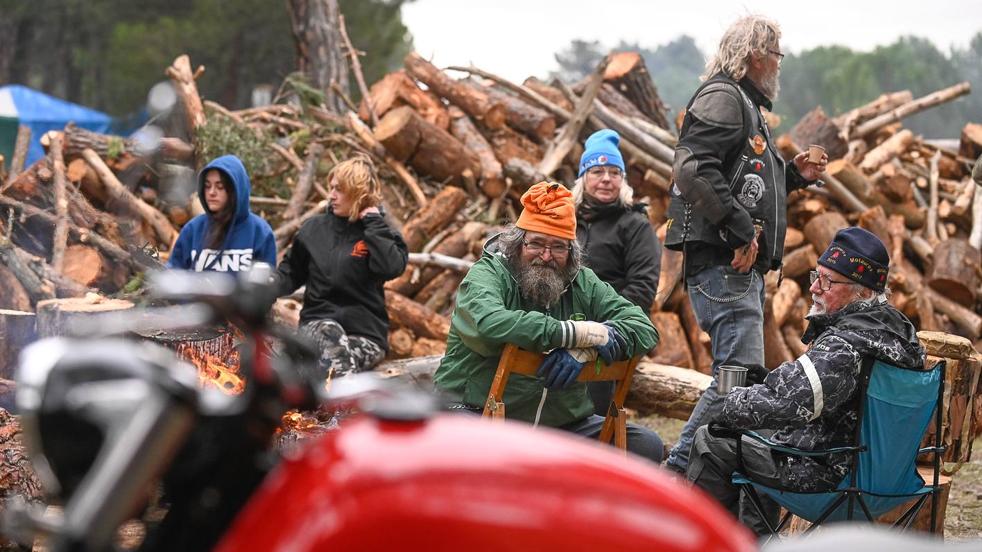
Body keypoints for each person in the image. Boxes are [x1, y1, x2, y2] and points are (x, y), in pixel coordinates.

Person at [663, 14, 829, 475]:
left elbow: (741, 178)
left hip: (734, 264)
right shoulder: (723, 96)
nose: (779, 62)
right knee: (735, 378)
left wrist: (790, 175)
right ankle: (678, 475)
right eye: (776, 53)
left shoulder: (744, 103)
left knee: (740, 378)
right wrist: (740, 229)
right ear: (756, 55)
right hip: (725, 260)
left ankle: (708, 478)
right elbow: (693, 168)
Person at [686, 227, 926, 535]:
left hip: (827, 475)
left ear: (864, 292)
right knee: (761, 436)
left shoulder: (846, 344)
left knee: (711, 440)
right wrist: (770, 382)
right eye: (817, 275)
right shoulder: (902, 338)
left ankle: (699, 541)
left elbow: (789, 403)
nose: (814, 288)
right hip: (885, 478)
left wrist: (729, 402)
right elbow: (816, 388)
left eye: (828, 281)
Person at [433, 181, 664, 462]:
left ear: (571, 252)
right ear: (519, 243)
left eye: (558, 247)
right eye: (537, 243)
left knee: (645, 446)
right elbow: (489, 322)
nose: (546, 256)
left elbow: (643, 327)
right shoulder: (489, 274)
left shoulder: (582, 283)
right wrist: (571, 332)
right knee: (460, 444)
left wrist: (584, 351)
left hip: (560, 423)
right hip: (476, 410)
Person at [275, 156, 408, 381]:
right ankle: (344, 414)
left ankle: (330, 412)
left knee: (330, 363)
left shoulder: (381, 234)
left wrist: (374, 224)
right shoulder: (313, 229)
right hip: (317, 328)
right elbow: (290, 274)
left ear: (359, 194)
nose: (331, 195)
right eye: (332, 188)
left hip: (365, 337)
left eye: (340, 189)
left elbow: (391, 268)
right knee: (329, 339)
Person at [572, 129, 661, 416]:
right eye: (597, 171)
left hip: (616, 328)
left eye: (614, 172)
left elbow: (642, 290)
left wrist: (598, 329)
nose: (606, 179)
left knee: (588, 412)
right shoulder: (568, 222)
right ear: (584, 177)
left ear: (622, 179)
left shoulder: (634, 225)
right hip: (566, 324)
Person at [168, 154, 276, 272]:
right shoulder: (193, 229)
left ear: (235, 190)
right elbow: (174, 272)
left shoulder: (259, 232)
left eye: (220, 187)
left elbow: (268, 284)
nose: (211, 192)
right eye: (207, 186)